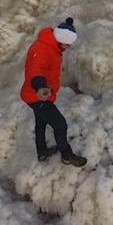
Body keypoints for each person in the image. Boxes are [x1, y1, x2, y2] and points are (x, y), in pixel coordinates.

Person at [21, 18, 87, 167]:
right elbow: (35, 71)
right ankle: (67, 155)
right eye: (67, 44)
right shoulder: (43, 50)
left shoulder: (51, 45)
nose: (68, 47)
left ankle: (42, 153)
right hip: (37, 95)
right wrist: (40, 87)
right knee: (60, 125)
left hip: (41, 94)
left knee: (41, 123)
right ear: (61, 39)